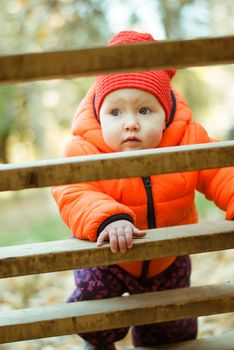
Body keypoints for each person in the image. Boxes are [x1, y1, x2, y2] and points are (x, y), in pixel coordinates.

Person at [52, 31, 234, 349]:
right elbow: (73, 190)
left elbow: (221, 171)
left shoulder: (186, 139)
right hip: (107, 253)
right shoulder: (85, 148)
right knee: (96, 314)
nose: (131, 123)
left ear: (165, 115)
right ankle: (98, 342)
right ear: (98, 113)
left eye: (145, 111)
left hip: (168, 256)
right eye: (116, 112)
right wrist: (108, 218)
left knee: (171, 328)